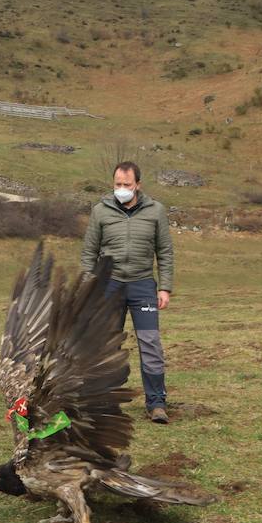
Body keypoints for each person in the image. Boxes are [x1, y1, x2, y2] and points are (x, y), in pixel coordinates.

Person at [81, 160, 175, 423]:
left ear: (138, 185)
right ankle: (105, 402)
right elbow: (89, 252)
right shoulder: (100, 211)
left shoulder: (156, 211)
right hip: (108, 285)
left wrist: (165, 287)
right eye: (117, 184)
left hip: (143, 284)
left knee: (151, 345)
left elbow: (165, 251)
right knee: (107, 346)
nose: (121, 189)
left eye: (127, 185)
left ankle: (156, 403)